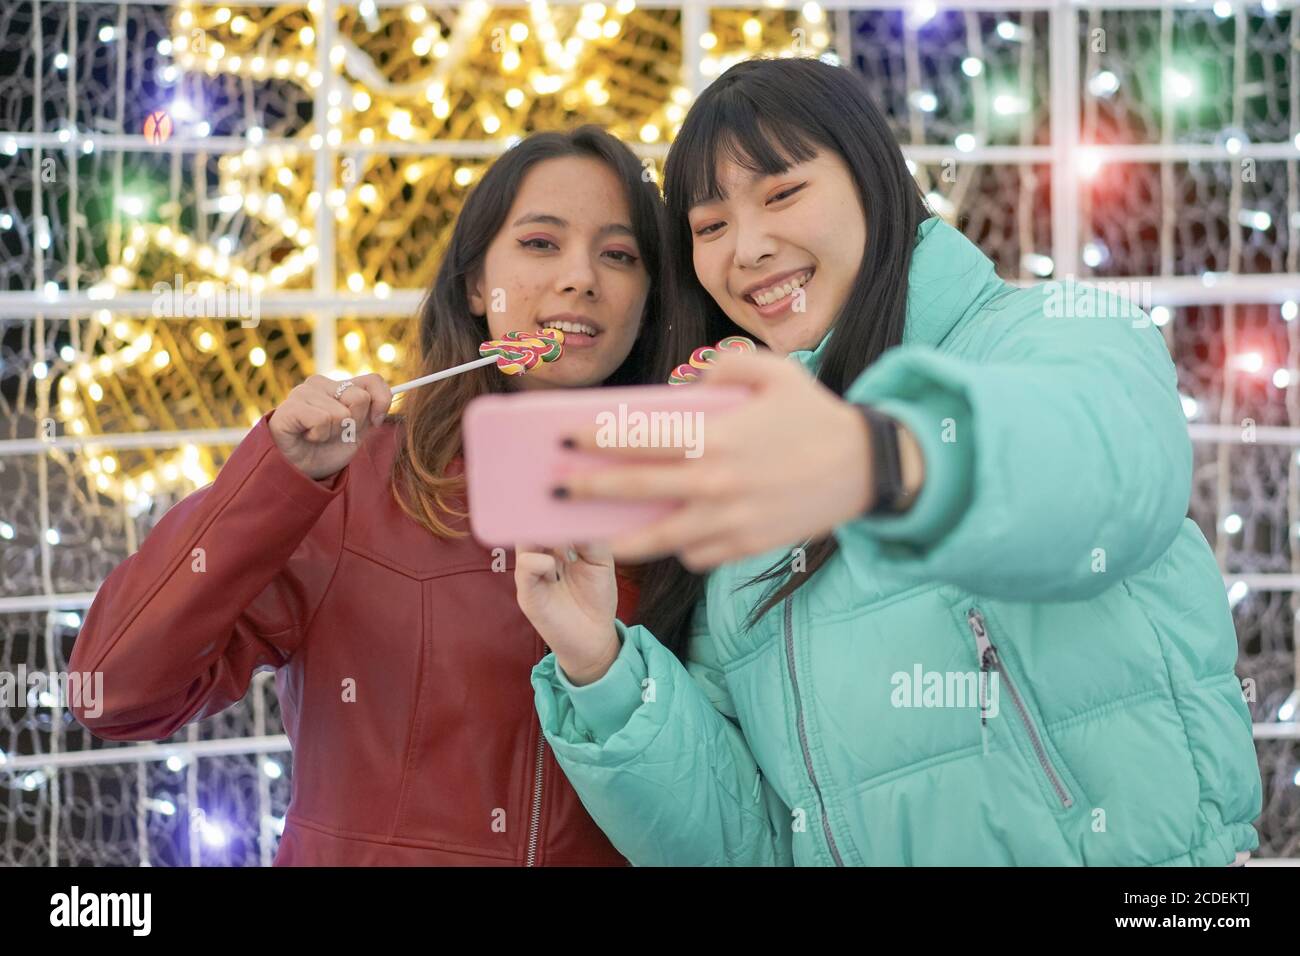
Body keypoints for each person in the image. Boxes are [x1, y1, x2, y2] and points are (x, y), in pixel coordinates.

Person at [515, 59, 1262, 866]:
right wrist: (598, 661)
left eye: (782, 193)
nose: (750, 248)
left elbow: (1099, 471)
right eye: (710, 226)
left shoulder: (1044, 335)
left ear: (874, 180)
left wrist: (882, 461)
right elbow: (752, 842)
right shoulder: (743, 479)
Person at [70, 126, 667, 865]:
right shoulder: (351, 484)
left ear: (648, 298)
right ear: (478, 285)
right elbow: (114, 690)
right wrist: (276, 482)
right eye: (541, 243)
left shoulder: (689, 497)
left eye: (619, 254)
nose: (581, 277)